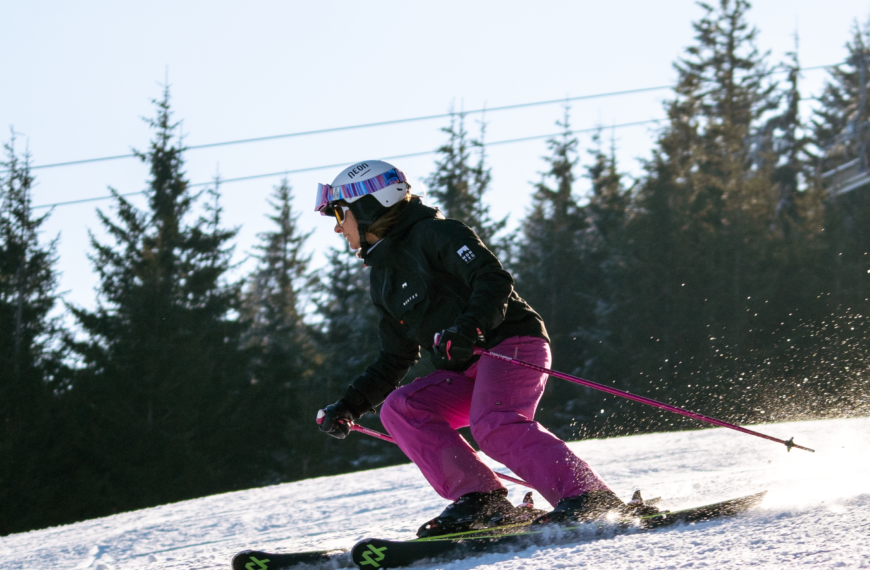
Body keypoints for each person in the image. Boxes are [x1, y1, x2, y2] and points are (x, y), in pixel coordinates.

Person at [314, 160, 648, 537]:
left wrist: (469, 328)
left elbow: (491, 278)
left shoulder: (437, 234)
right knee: (402, 408)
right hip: (465, 369)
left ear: (370, 205)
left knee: (494, 424)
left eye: (341, 214)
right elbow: (395, 356)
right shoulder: (384, 278)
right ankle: (481, 499)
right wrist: (349, 405)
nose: (339, 227)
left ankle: (587, 497)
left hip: (509, 344)